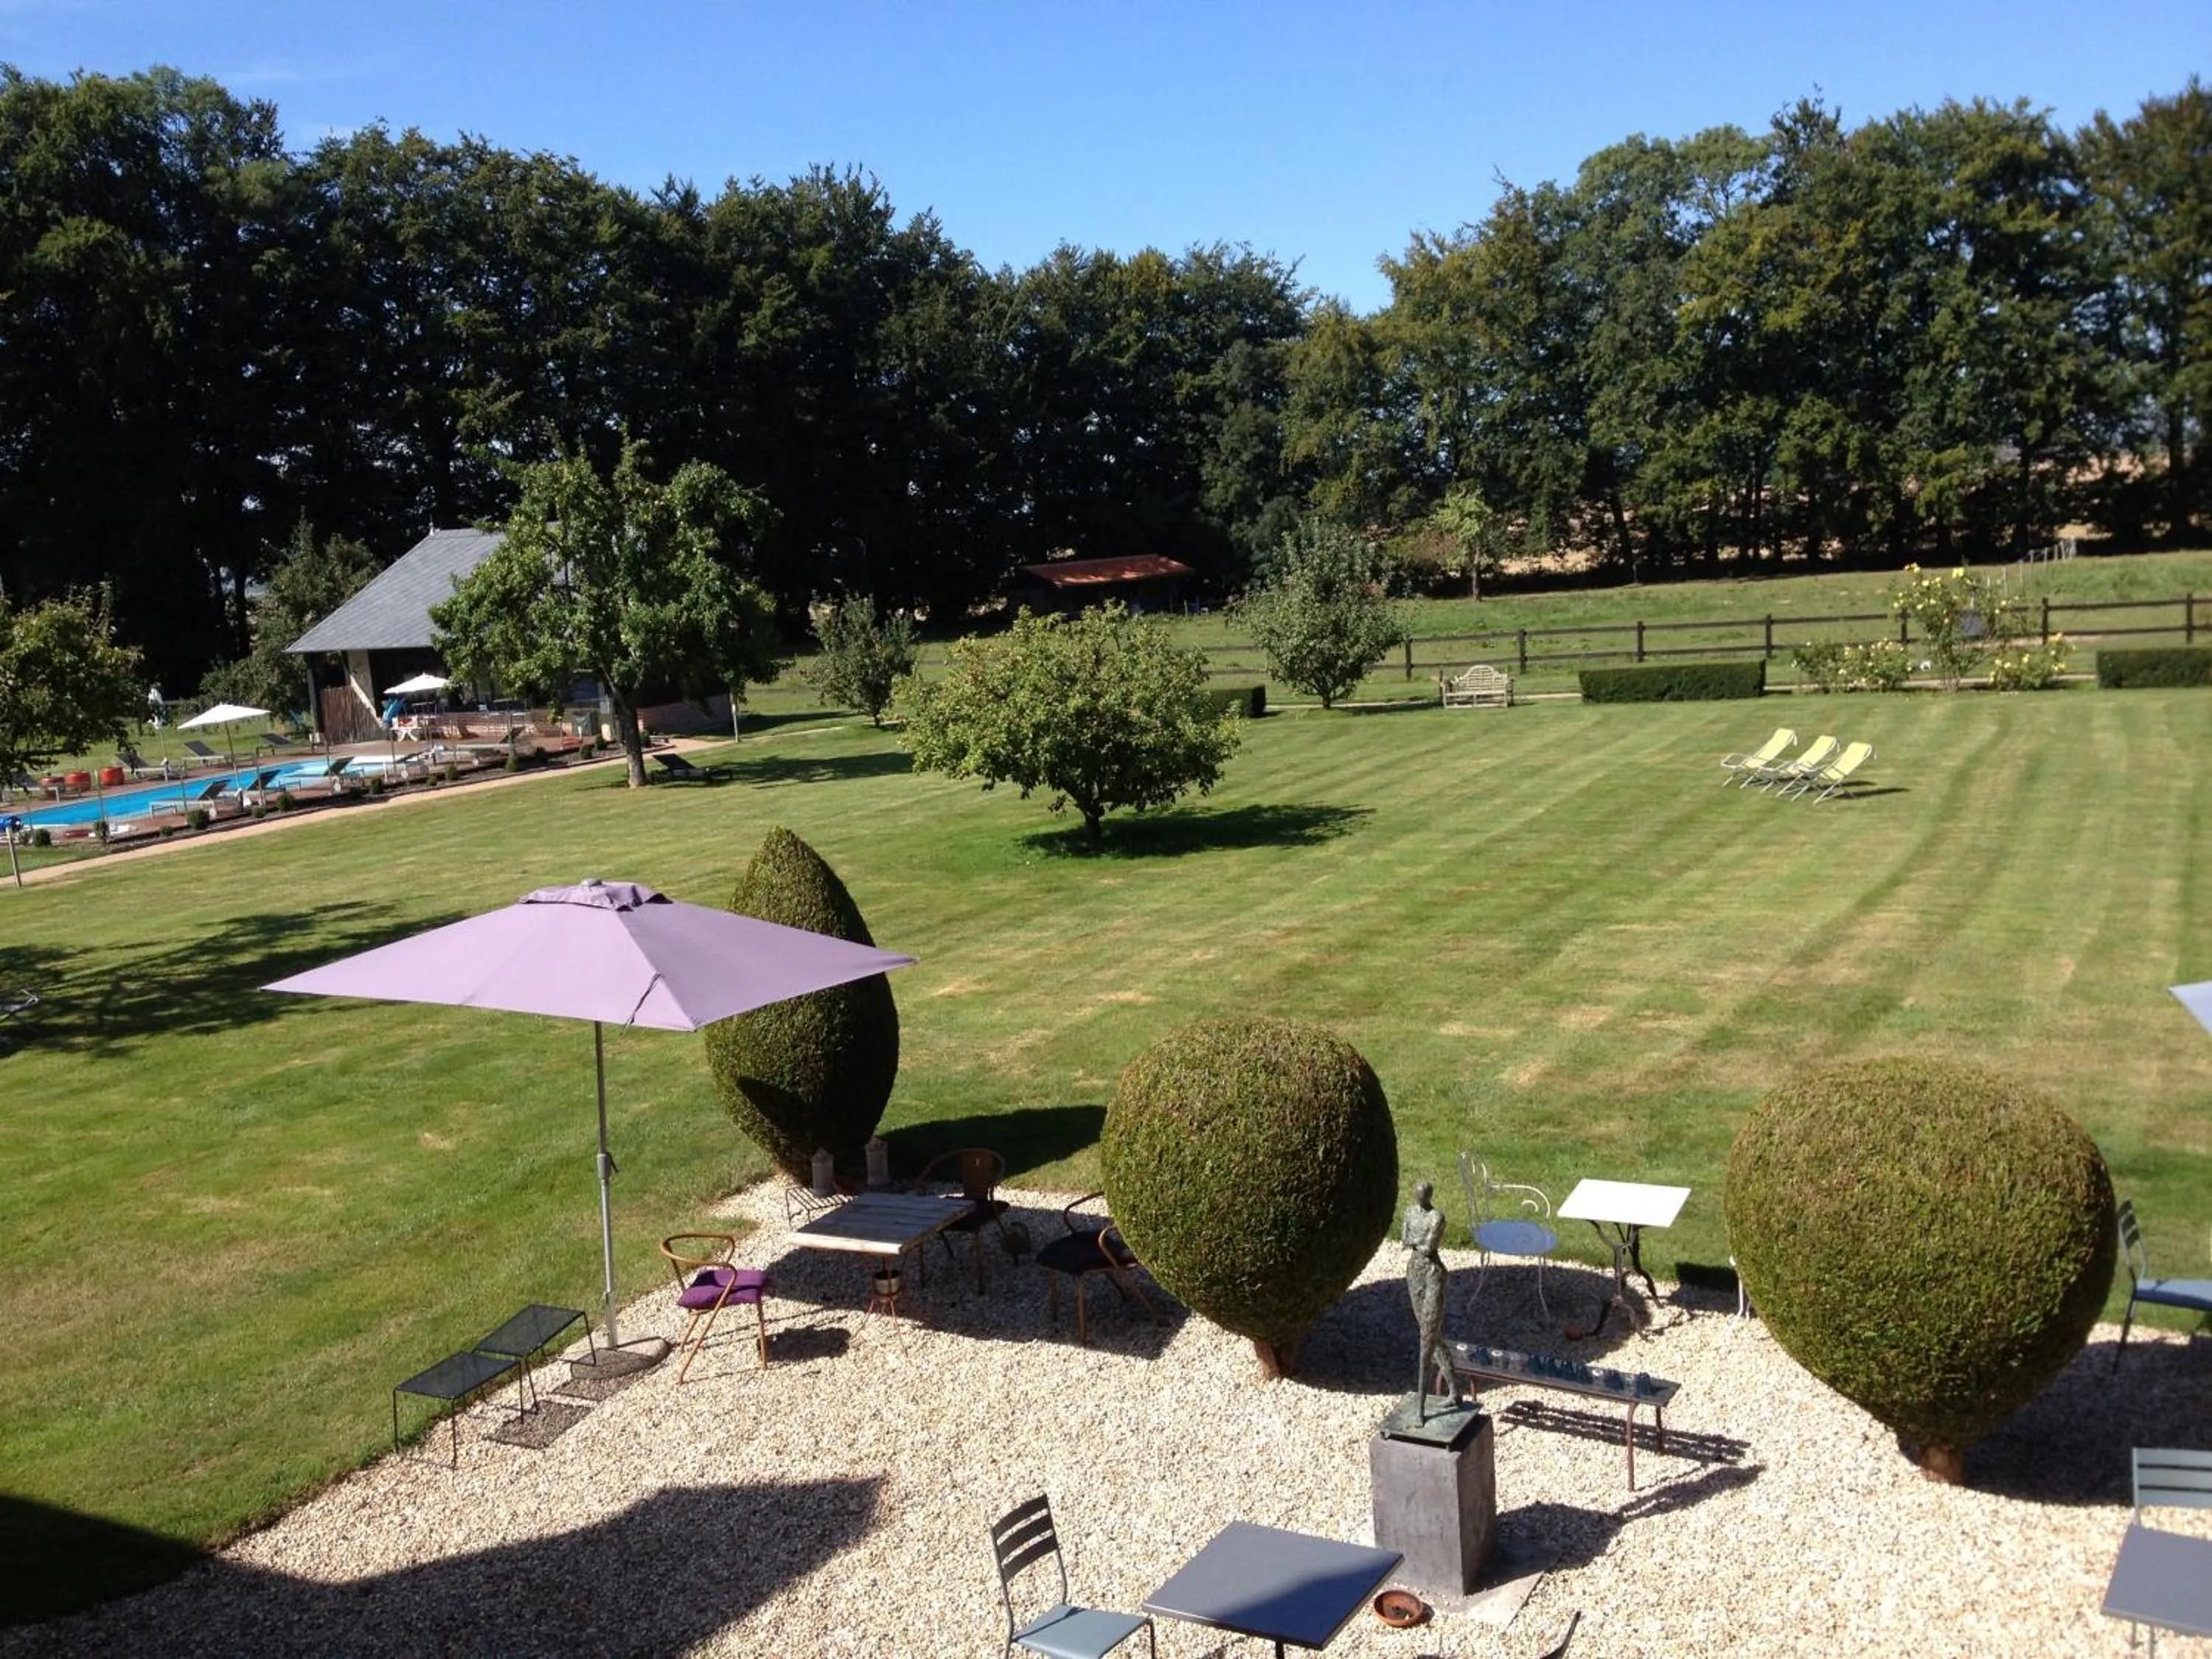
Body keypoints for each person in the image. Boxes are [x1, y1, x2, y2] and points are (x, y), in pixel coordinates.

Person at [1402, 1180, 1453, 1419]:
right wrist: (1415, 1241)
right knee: (1432, 1336)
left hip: (1433, 1276)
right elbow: (1405, 1239)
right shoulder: (1410, 1212)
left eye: (1424, 1195)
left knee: (1426, 1341)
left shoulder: (1437, 1217)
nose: (1420, 1199)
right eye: (1417, 1195)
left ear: (1430, 1196)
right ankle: (1454, 1391)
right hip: (1414, 1275)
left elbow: (1428, 1247)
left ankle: (1420, 1411)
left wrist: (1415, 1241)